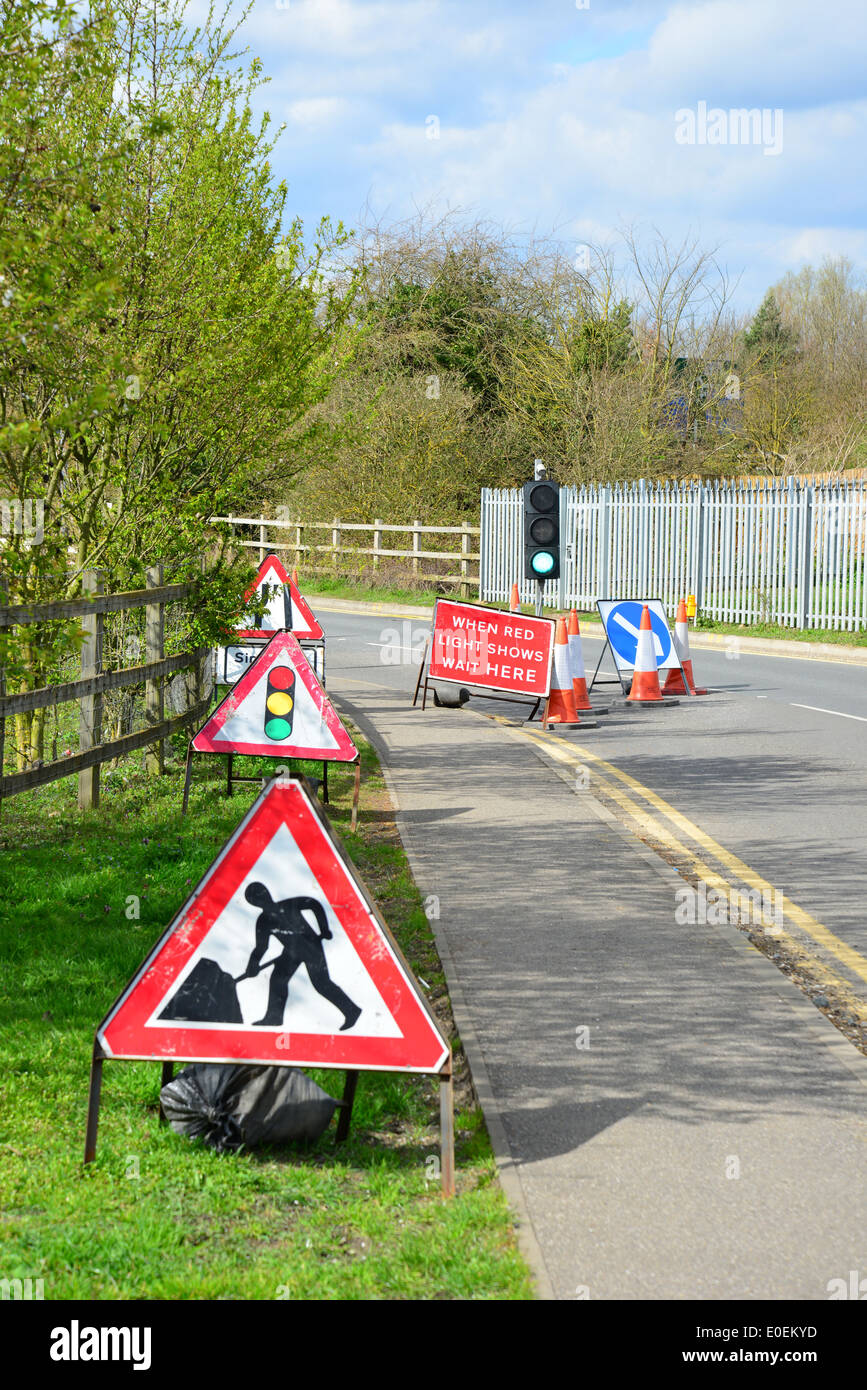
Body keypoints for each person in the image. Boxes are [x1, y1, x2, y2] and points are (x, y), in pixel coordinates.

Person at [236, 881, 362, 1031]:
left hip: (310, 946)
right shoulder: (263, 921)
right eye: (256, 899)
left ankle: (352, 1010)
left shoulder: (288, 905)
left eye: (261, 895)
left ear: (267, 893)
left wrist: (324, 928)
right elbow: (261, 947)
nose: (262, 899)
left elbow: (314, 904)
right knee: (278, 979)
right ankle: (274, 1017)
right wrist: (253, 965)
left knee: (321, 984)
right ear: (254, 903)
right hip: (291, 951)